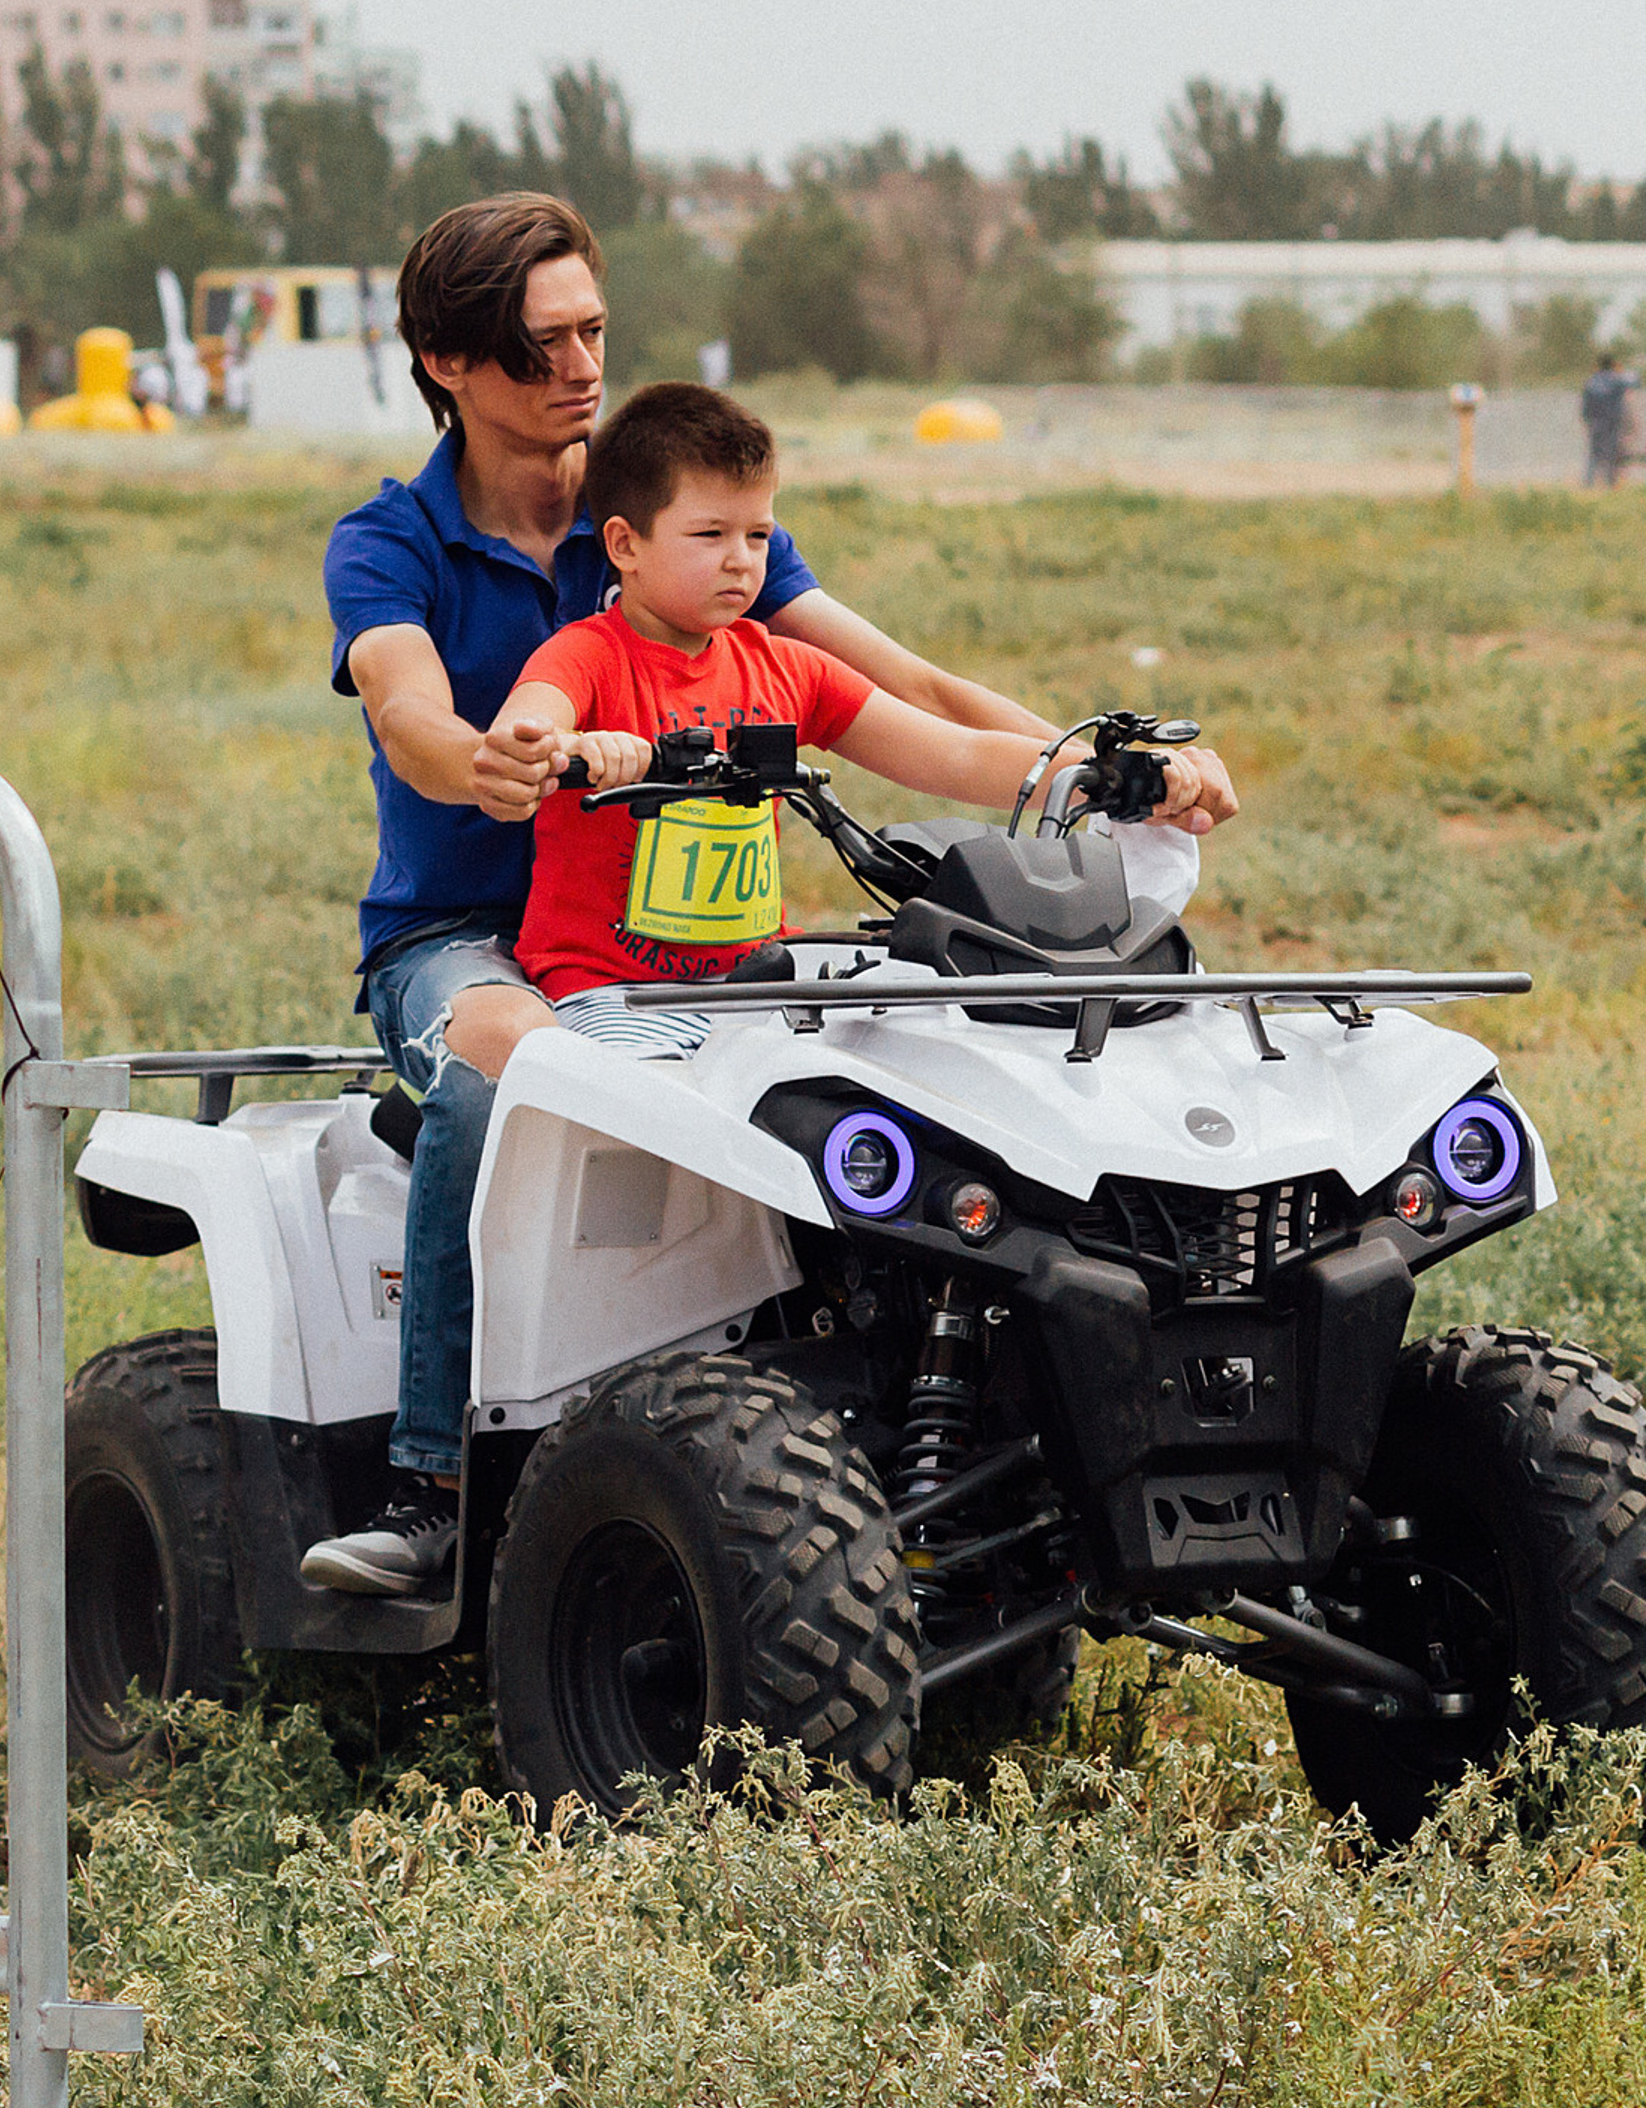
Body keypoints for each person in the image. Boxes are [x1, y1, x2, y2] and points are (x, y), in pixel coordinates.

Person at [304, 196, 1236, 1594]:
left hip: (691, 961)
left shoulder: (696, 530)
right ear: (446, 361)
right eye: (538, 344)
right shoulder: (394, 544)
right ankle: (430, 1487)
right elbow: (409, 713)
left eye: (592, 329)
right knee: (508, 1073)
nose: (579, 364)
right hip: (474, 949)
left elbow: (910, 697)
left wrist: (1110, 765)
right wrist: (493, 763)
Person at [492, 383, 1202, 1053]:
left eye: (758, 535)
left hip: (758, 985)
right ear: (624, 545)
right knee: (659, 1118)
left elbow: (952, 754)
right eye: (710, 534)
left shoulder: (785, 668)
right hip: (615, 996)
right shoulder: (585, 656)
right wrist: (569, 746)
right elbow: (527, 728)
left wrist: (1103, 776)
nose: (742, 561)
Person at [1580, 350, 1636, 487]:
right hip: (1612, 421)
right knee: (1611, 452)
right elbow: (1636, 381)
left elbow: (1585, 404)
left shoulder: (1591, 381)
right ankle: (1610, 482)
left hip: (1595, 421)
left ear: (1598, 365)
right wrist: (1620, 371)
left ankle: (1589, 482)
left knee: (1594, 452)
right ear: (1612, 364)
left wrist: (1586, 419)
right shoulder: (1616, 380)